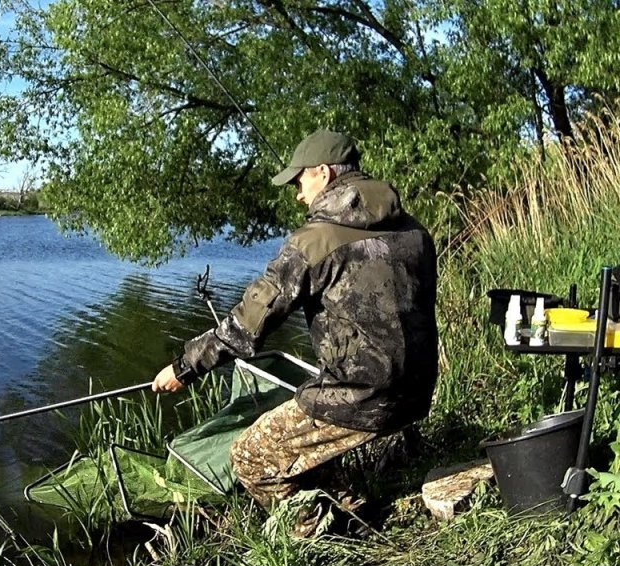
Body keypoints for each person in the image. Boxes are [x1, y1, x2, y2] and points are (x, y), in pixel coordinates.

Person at [152, 129, 438, 507]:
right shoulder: (415, 231)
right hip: (418, 393)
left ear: (324, 172)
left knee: (249, 457)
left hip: (363, 398)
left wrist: (184, 367)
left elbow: (246, 327)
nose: (298, 194)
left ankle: (313, 533)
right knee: (302, 425)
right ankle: (350, 508)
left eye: (300, 180)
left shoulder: (312, 242)